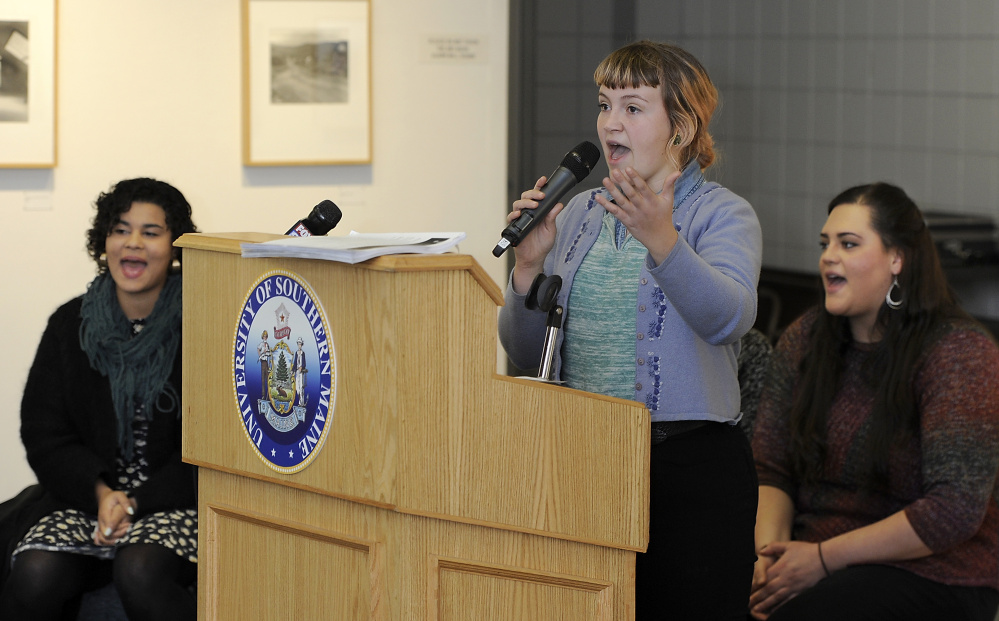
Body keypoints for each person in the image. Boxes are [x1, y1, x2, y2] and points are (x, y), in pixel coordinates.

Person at [498, 40, 763, 620]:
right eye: (604, 104)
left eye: (633, 108)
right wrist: (527, 268)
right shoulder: (578, 213)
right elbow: (523, 356)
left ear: (682, 126)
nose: (610, 123)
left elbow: (730, 318)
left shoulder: (722, 214)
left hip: (689, 473)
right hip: (584, 462)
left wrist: (662, 239)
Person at [749, 182, 999, 621]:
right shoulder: (806, 339)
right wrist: (769, 561)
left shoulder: (958, 352)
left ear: (897, 259)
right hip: (813, 554)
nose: (829, 256)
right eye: (825, 243)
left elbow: (952, 512)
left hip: (933, 571)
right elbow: (771, 467)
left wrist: (823, 559)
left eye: (849, 244)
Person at [0, 178, 200, 620]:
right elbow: (43, 432)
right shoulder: (70, 324)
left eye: (151, 232)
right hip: (87, 499)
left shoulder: (206, 322)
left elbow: (211, 448)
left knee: (140, 569)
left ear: (175, 246)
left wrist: (136, 503)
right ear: (103, 240)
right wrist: (103, 493)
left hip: (175, 502)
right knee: (35, 573)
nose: (133, 244)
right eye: (120, 229)